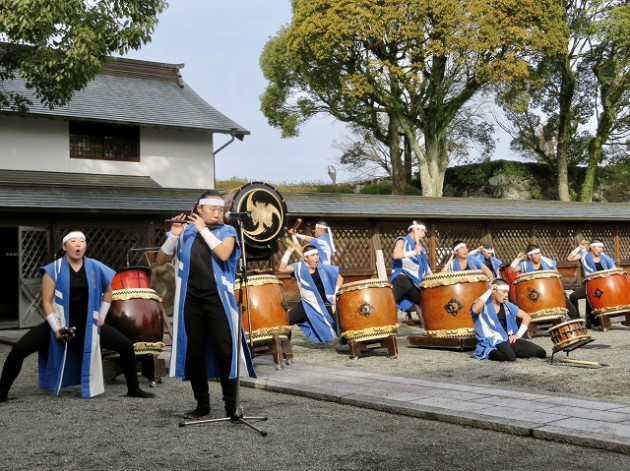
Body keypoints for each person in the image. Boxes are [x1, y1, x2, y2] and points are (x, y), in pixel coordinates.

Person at [0, 231, 154, 402]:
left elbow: (108, 291)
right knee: (19, 350)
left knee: (125, 345)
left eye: (82, 241)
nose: (78, 244)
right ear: (64, 246)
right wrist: (56, 328)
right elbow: (47, 302)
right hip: (61, 324)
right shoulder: (54, 270)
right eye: (73, 241)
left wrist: (101, 316)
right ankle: (1, 393)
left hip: (88, 324)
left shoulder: (95, 267)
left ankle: (134, 389)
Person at [157, 190, 255, 420]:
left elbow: (224, 253)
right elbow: (160, 261)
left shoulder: (227, 231)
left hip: (218, 299)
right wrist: (173, 236)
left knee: (225, 351)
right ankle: (202, 404)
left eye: (221, 210)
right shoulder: (185, 232)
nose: (217, 214)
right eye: (212, 209)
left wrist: (202, 229)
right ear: (199, 209)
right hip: (191, 300)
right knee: (195, 352)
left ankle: (231, 406)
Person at [470, 278, 547, 361]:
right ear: (494, 291)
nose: (506, 295)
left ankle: (508, 351)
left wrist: (518, 335)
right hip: (493, 340)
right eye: (504, 292)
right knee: (510, 358)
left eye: (507, 292)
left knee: (540, 353)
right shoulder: (484, 304)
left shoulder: (507, 305)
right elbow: (474, 309)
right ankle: (487, 351)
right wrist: (489, 290)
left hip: (507, 339)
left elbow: (526, 317)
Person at [278, 243, 343, 342]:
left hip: (324, 305)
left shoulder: (323, 268)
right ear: (306, 258)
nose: (316, 257)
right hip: (306, 306)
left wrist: (335, 295)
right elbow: (281, 269)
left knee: (338, 328)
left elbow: (339, 278)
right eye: (313, 255)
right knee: (285, 321)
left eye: (317, 254)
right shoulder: (298, 268)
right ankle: (281, 343)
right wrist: (289, 251)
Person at [508, 243, 579, 319]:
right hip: (535, 293)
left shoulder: (547, 262)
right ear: (529, 256)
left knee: (564, 299)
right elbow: (511, 270)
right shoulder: (525, 265)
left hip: (551, 289)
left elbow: (557, 275)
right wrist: (517, 259)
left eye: (539, 253)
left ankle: (575, 318)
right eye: (536, 254)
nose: (539, 256)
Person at [567, 238, 617, 328]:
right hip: (590, 285)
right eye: (599, 247)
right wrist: (579, 247)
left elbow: (614, 269)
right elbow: (570, 258)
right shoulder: (584, 255)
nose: (601, 249)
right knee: (573, 296)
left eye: (602, 247)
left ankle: (595, 319)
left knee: (592, 297)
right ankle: (576, 318)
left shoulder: (604, 257)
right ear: (592, 247)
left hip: (604, 285)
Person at [390, 222, 432, 314]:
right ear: (414, 229)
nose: (424, 234)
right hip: (401, 280)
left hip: (413, 282)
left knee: (427, 303)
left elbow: (425, 266)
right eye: (422, 231)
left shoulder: (420, 248)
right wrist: (414, 252)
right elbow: (396, 255)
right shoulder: (402, 241)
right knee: (387, 303)